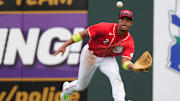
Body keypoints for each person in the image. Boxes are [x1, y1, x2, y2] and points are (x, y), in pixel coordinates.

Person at [54, 9, 135, 101]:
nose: (124, 22)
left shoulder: (129, 42)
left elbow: (125, 62)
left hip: (107, 58)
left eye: (127, 21)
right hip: (90, 54)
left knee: (116, 77)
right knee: (81, 86)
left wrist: (131, 66)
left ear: (131, 23)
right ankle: (66, 90)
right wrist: (64, 45)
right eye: (122, 20)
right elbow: (82, 34)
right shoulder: (104, 27)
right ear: (118, 21)